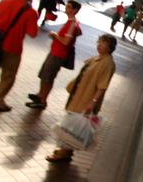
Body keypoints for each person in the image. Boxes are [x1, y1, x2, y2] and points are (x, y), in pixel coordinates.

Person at [46, 34, 117, 163]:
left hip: (86, 99)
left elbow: (102, 86)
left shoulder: (108, 63)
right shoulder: (99, 59)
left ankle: (63, 152)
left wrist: (93, 102)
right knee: (73, 126)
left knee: (70, 126)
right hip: (79, 96)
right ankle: (67, 151)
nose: (99, 45)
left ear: (110, 47)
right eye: (99, 42)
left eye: (103, 43)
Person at [26, 0, 82, 109]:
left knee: (48, 77)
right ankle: (40, 95)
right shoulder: (72, 22)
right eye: (67, 6)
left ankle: (42, 100)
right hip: (55, 52)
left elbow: (66, 41)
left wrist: (55, 36)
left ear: (75, 10)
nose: (67, 8)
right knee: (44, 75)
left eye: (69, 7)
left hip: (58, 54)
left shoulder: (72, 23)